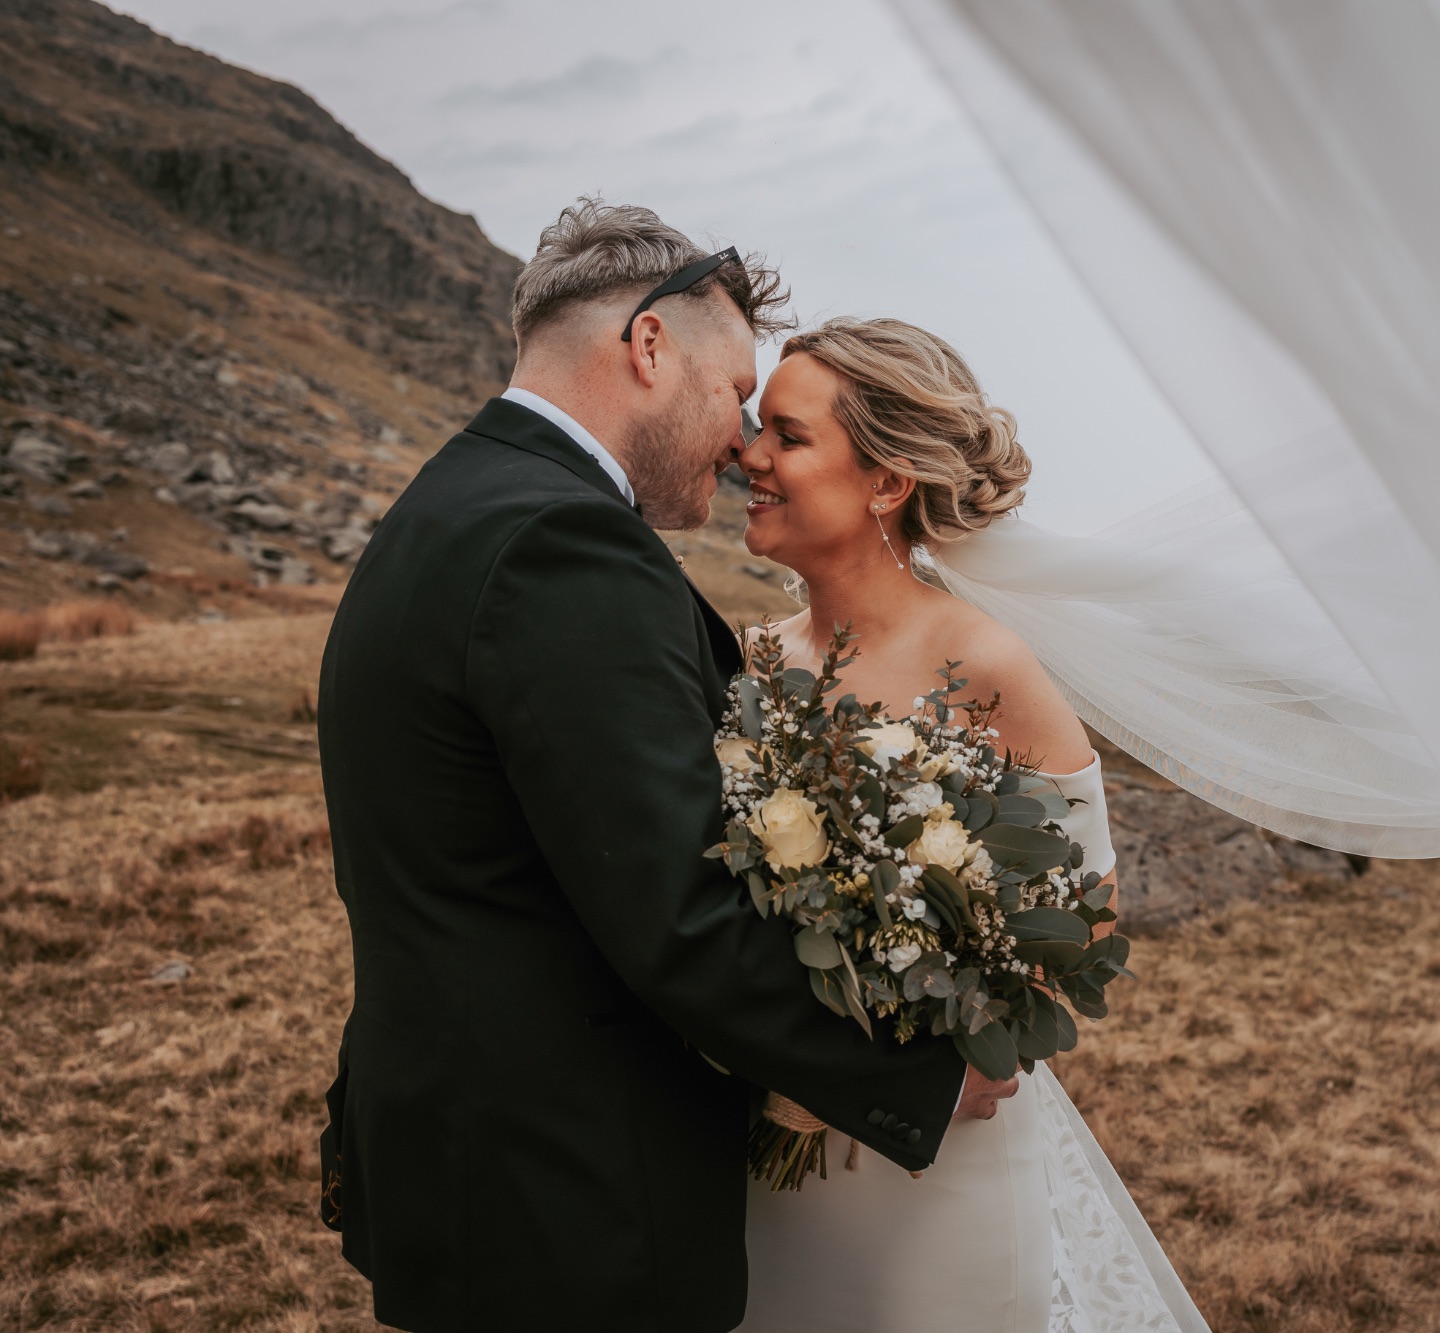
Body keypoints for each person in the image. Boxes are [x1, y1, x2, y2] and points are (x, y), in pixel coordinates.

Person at [314, 201, 1014, 1333]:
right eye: (736, 394)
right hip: (566, 1196)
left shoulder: (449, 502)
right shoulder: (561, 542)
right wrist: (921, 1074)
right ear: (647, 347)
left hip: (468, 1161)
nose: (740, 442)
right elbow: (675, 909)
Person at [731, 317, 1207, 1332]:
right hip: (758, 1153)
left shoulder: (986, 663)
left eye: (787, 435)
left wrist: (913, 1035)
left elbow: (1080, 926)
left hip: (934, 1158)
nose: (748, 455)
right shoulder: (753, 661)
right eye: (753, 428)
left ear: (886, 482)